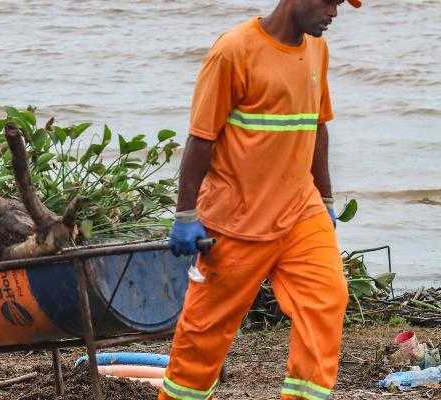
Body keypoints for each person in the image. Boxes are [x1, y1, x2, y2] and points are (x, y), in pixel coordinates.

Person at [161, 1, 362, 399]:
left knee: (327, 300)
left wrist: (324, 197)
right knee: (203, 338)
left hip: (300, 211)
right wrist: (186, 213)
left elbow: (317, 126)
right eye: (329, 1)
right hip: (237, 219)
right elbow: (201, 138)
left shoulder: (317, 50)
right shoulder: (233, 51)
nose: (334, 13)